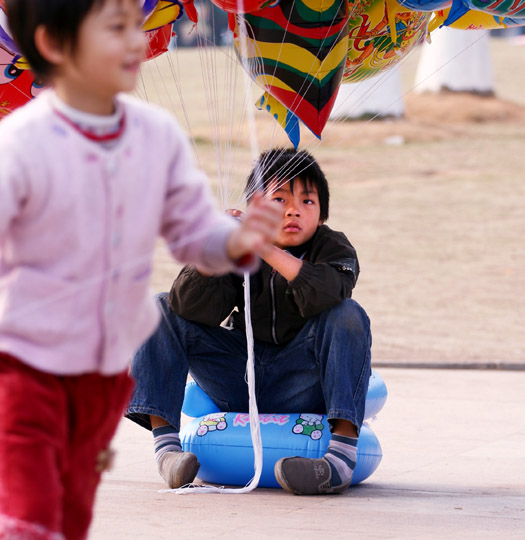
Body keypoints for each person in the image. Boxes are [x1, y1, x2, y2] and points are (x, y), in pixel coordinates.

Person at [0, 0, 281, 540]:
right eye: (116, 27)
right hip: (26, 369)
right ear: (53, 44)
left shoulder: (156, 138)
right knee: (30, 517)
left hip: (103, 380)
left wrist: (236, 240)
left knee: (67, 523)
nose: (138, 40)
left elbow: (190, 234)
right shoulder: (21, 146)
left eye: (138, 21)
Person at [127, 147, 372, 496]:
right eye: (279, 200)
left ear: (321, 215)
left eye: (307, 202)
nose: (293, 210)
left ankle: (339, 460)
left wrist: (267, 250)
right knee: (161, 308)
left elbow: (328, 295)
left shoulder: (334, 248)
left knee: (349, 313)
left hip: (303, 380)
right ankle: (167, 451)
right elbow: (189, 307)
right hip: (240, 376)